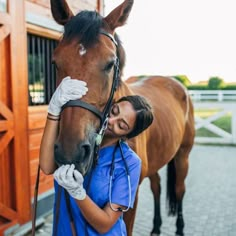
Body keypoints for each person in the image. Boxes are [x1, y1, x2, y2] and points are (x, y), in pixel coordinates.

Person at [39, 76, 153, 236]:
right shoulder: (79, 139)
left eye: (121, 125)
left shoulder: (130, 164)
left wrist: (78, 193)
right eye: (114, 111)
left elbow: (105, 224)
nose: (111, 120)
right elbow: (46, 166)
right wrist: (54, 110)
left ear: (127, 135)